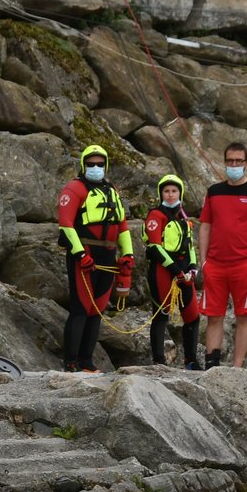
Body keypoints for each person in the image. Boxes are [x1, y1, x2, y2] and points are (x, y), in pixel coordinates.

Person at [57, 144, 134, 373]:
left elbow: (122, 226)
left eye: (100, 164)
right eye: (91, 164)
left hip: (108, 255)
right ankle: (71, 362)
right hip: (86, 253)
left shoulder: (111, 190)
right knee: (81, 308)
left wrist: (128, 254)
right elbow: (66, 224)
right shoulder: (74, 189)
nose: (96, 168)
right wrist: (80, 254)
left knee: (97, 310)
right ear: (83, 165)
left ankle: (87, 361)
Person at [197, 142, 247, 369]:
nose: (234, 165)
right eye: (230, 160)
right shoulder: (214, 191)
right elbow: (205, 225)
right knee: (214, 315)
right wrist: (203, 261)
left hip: (243, 264)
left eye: (239, 161)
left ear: (246, 164)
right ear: (225, 161)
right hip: (216, 264)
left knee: (244, 315)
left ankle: (237, 366)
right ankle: (212, 365)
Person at [145, 173, 201, 369]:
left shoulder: (184, 218)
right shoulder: (155, 215)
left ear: (180, 193)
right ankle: (158, 361)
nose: (170, 195)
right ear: (161, 194)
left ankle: (191, 360)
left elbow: (190, 247)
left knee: (193, 316)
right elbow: (155, 246)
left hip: (184, 270)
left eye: (174, 191)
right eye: (166, 191)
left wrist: (193, 268)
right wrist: (175, 270)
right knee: (161, 314)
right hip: (163, 269)